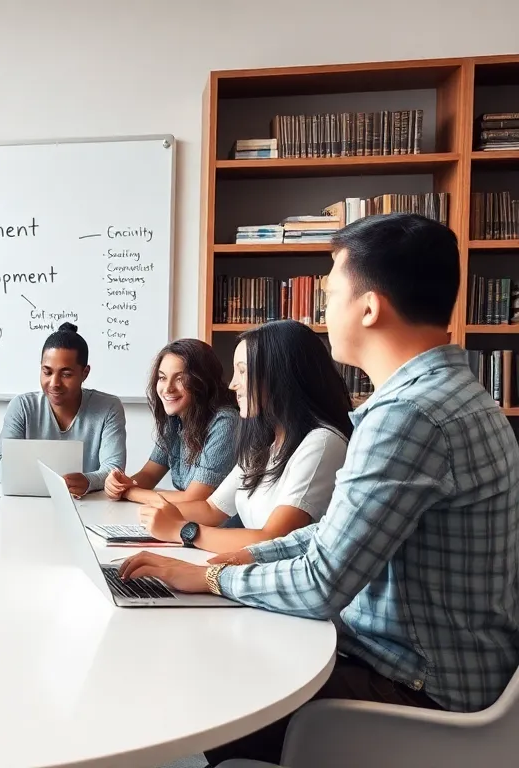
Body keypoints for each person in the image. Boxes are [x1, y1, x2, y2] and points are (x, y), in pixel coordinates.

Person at [117, 214, 519, 766]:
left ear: (370, 307)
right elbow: (330, 538)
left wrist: (214, 575)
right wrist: (237, 556)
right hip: (426, 664)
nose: (322, 310)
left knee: (207, 700)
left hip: (421, 689)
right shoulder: (451, 395)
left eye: (330, 292)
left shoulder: (409, 416)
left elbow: (321, 583)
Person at [133, 320, 352, 552]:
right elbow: (212, 510)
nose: (233, 385)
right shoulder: (263, 441)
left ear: (281, 375)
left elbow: (274, 539)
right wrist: (154, 513)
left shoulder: (322, 442)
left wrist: (181, 530)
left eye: (243, 372)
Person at [0, 322, 125, 495]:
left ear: (85, 373)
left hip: (89, 506)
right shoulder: (22, 406)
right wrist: (49, 481)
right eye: (47, 372)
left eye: (66, 374)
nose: (54, 384)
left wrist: (88, 481)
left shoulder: (108, 408)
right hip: (28, 505)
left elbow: (114, 470)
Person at [104, 338, 238, 503]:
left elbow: (195, 498)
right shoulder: (174, 421)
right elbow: (149, 475)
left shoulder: (225, 423)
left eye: (180, 378)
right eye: (162, 378)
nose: (168, 388)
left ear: (203, 381)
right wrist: (119, 484)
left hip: (222, 527)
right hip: (188, 521)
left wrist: (129, 492)